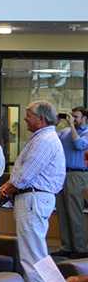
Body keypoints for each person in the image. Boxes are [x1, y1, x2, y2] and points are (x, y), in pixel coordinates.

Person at [0, 101, 65, 282]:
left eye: (29, 115)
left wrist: (6, 189)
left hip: (33, 199)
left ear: (41, 119)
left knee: (32, 258)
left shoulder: (45, 140)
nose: (25, 118)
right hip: (33, 199)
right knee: (38, 255)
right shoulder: (42, 138)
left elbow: (25, 175)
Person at [54, 107, 88, 258]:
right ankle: (66, 246)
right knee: (62, 211)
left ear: (84, 118)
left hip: (77, 174)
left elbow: (79, 145)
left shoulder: (85, 132)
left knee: (75, 212)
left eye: (76, 117)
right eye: (72, 116)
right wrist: (54, 123)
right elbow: (53, 141)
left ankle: (80, 248)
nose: (73, 119)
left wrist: (72, 126)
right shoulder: (65, 132)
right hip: (62, 174)